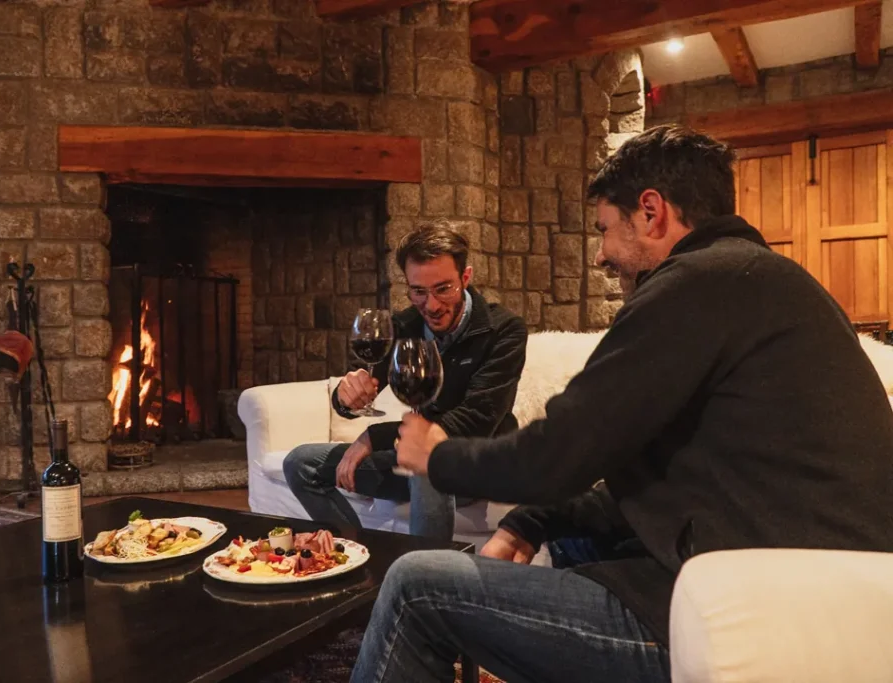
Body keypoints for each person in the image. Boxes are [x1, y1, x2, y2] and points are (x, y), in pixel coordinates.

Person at [351, 125, 893, 683]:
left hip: (754, 616)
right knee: (578, 537)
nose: (604, 255)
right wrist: (533, 521)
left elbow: (564, 450)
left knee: (415, 584)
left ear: (652, 212)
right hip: (809, 592)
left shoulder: (695, 284)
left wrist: (436, 456)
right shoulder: (763, 282)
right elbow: (663, 483)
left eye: (606, 229)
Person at [282, 222, 527, 541]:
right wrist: (345, 397)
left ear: (465, 278)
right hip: (414, 458)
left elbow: (477, 420)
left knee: (425, 459)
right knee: (300, 464)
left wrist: (374, 436)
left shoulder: (503, 330)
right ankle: (362, 555)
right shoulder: (403, 326)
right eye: (419, 292)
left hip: (480, 463)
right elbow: (363, 387)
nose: (433, 305)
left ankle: (424, 581)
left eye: (443, 289)